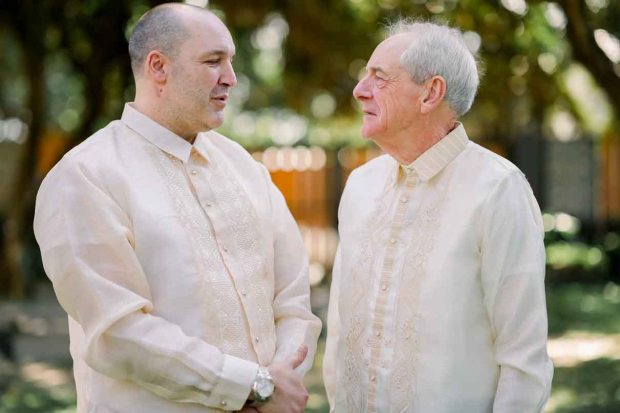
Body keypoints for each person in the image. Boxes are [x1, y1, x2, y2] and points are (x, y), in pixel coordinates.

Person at [33, 3, 321, 413]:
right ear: (158, 67)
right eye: (213, 61)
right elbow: (117, 331)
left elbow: (293, 300)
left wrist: (280, 381)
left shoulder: (245, 168)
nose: (231, 77)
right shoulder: (86, 176)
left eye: (231, 61)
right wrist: (252, 386)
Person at [323, 19, 553, 413]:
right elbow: (340, 334)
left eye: (379, 77)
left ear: (431, 93)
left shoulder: (498, 189)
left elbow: (523, 360)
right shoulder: (360, 186)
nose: (360, 90)